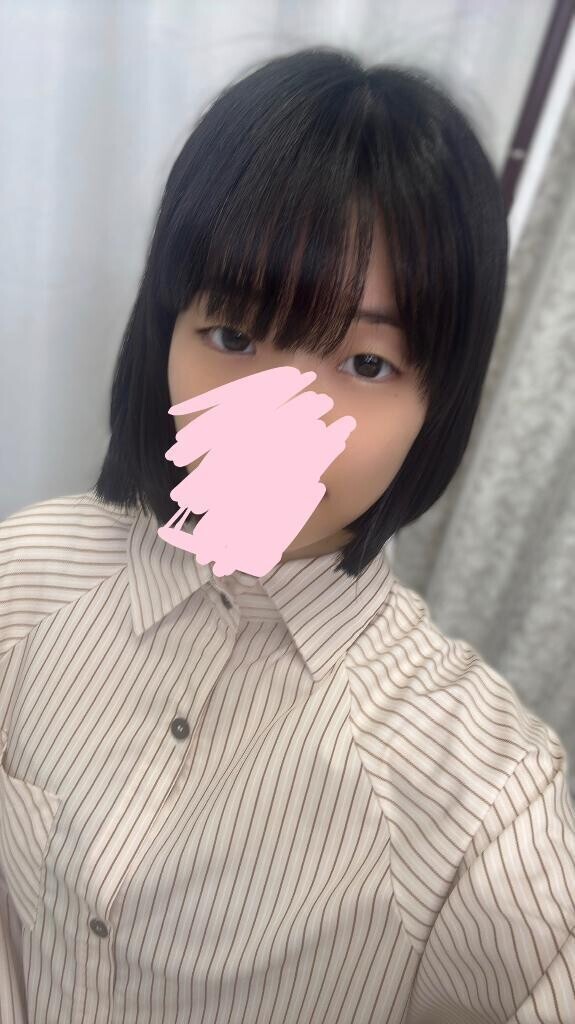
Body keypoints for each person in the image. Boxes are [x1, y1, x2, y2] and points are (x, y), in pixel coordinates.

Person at [1, 46, 573, 1024]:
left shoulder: (481, 797)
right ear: (163, 331)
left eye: (365, 362)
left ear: (437, 403)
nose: (278, 421)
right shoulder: (25, 575)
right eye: (233, 337)